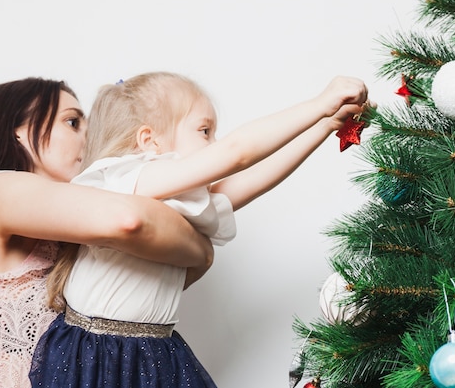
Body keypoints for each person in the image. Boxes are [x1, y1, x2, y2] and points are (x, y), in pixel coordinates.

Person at [29, 71, 372, 388]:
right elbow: (236, 154)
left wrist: (325, 125)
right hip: (97, 354)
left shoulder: (178, 198)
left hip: (155, 350)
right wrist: (317, 104)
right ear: (150, 141)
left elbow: (248, 182)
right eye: (205, 131)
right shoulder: (126, 177)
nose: (214, 143)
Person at [0, 77, 214, 388]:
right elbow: (129, 219)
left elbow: (160, 278)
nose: (87, 138)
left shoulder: (67, 232)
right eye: (73, 122)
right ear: (19, 132)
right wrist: (201, 249)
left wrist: (194, 250)